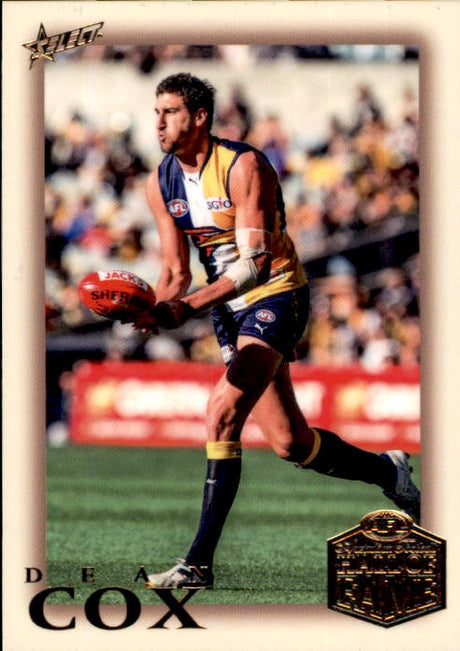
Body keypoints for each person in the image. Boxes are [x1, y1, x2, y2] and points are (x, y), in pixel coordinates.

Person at [128, 73, 420, 590]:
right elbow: (174, 271)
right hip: (227, 310)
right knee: (290, 442)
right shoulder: (161, 182)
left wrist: (187, 307)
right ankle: (387, 472)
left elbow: (255, 263)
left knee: (221, 413)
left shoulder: (243, 165)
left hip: (276, 295)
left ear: (199, 117)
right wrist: (149, 308)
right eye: (156, 112)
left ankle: (198, 564)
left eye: (170, 112)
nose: (159, 123)